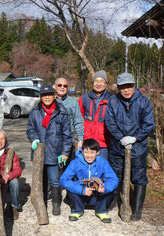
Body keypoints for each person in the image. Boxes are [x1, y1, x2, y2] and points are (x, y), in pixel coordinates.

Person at [105, 72, 155, 220]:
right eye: (122, 87)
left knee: (139, 178)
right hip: (117, 147)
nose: (126, 90)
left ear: (134, 85)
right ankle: (114, 201)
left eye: (129, 86)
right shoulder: (113, 101)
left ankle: (137, 209)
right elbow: (110, 122)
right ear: (118, 88)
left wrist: (135, 138)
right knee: (116, 175)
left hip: (137, 148)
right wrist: (121, 138)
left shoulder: (144, 102)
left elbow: (148, 124)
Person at [27, 84, 73, 216]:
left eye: (49, 95)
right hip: (39, 153)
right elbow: (30, 129)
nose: (47, 97)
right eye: (44, 95)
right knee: (40, 179)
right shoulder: (35, 111)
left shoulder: (62, 112)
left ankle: (56, 204)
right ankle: (41, 202)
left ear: (54, 96)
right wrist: (34, 139)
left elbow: (67, 135)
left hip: (55, 152)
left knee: (54, 180)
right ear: (40, 97)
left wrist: (65, 153)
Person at [60, 139, 119, 223]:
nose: (89, 156)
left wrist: (104, 188)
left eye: (92, 152)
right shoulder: (75, 162)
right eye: (86, 152)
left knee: (111, 190)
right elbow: (63, 180)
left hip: (97, 194)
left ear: (97, 152)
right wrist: (81, 190)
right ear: (82, 152)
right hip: (81, 194)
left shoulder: (103, 162)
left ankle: (101, 210)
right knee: (71, 189)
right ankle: (77, 210)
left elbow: (113, 179)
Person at [78, 70, 111, 159]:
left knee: (101, 168)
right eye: (96, 81)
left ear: (106, 84)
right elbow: (78, 119)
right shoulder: (84, 98)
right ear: (92, 83)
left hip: (104, 143)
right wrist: (80, 138)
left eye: (101, 81)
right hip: (87, 141)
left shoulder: (112, 100)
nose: (98, 84)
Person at [53, 76, 84, 154]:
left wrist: (80, 139)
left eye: (65, 86)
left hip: (68, 142)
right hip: (52, 142)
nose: (62, 87)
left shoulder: (73, 103)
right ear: (55, 86)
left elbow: (78, 122)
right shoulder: (49, 101)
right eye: (59, 85)